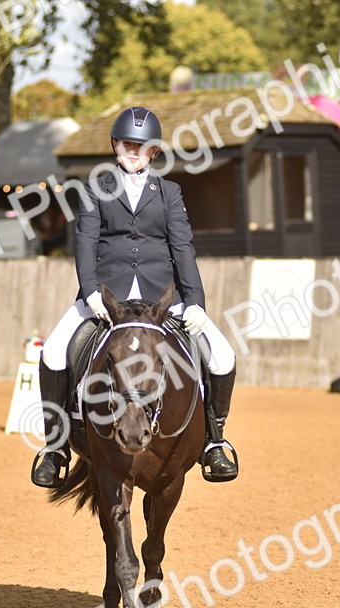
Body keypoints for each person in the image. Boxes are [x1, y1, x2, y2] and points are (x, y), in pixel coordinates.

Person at [31, 106, 239, 488]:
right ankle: (55, 447)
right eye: (127, 144)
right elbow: (85, 242)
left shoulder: (170, 193)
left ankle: (214, 441)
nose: (133, 151)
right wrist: (91, 292)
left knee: (223, 356)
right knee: (53, 351)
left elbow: (183, 247)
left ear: (153, 152)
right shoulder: (95, 188)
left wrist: (195, 303)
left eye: (141, 147)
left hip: (162, 299)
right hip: (106, 297)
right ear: (115, 145)